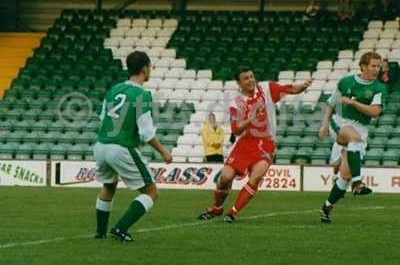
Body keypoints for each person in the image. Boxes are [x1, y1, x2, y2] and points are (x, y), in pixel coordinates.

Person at [198, 67, 311, 222]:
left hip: (266, 142)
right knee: (225, 178)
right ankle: (217, 208)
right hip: (244, 143)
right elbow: (236, 130)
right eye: (246, 78)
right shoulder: (235, 101)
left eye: (252, 76)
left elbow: (289, 88)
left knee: (255, 177)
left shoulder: (266, 89)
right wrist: (251, 119)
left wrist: (302, 87)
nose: (251, 80)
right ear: (239, 83)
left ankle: (232, 213)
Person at [93, 51, 172, 242]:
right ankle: (120, 229)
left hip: (101, 145)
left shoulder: (113, 90)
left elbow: (102, 118)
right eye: (150, 67)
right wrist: (163, 151)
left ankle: (100, 233)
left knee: (109, 186)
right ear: (145, 69)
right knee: (151, 192)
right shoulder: (142, 94)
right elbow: (146, 133)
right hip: (120, 147)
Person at [319, 52, 387, 223]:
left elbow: (375, 111)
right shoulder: (346, 81)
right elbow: (331, 103)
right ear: (363, 66)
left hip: (361, 128)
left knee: (344, 177)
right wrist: (324, 125)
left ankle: (326, 207)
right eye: (373, 65)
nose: (376, 69)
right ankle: (358, 184)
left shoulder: (379, 88)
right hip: (340, 122)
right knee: (354, 138)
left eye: (378, 66)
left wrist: (353, 102)